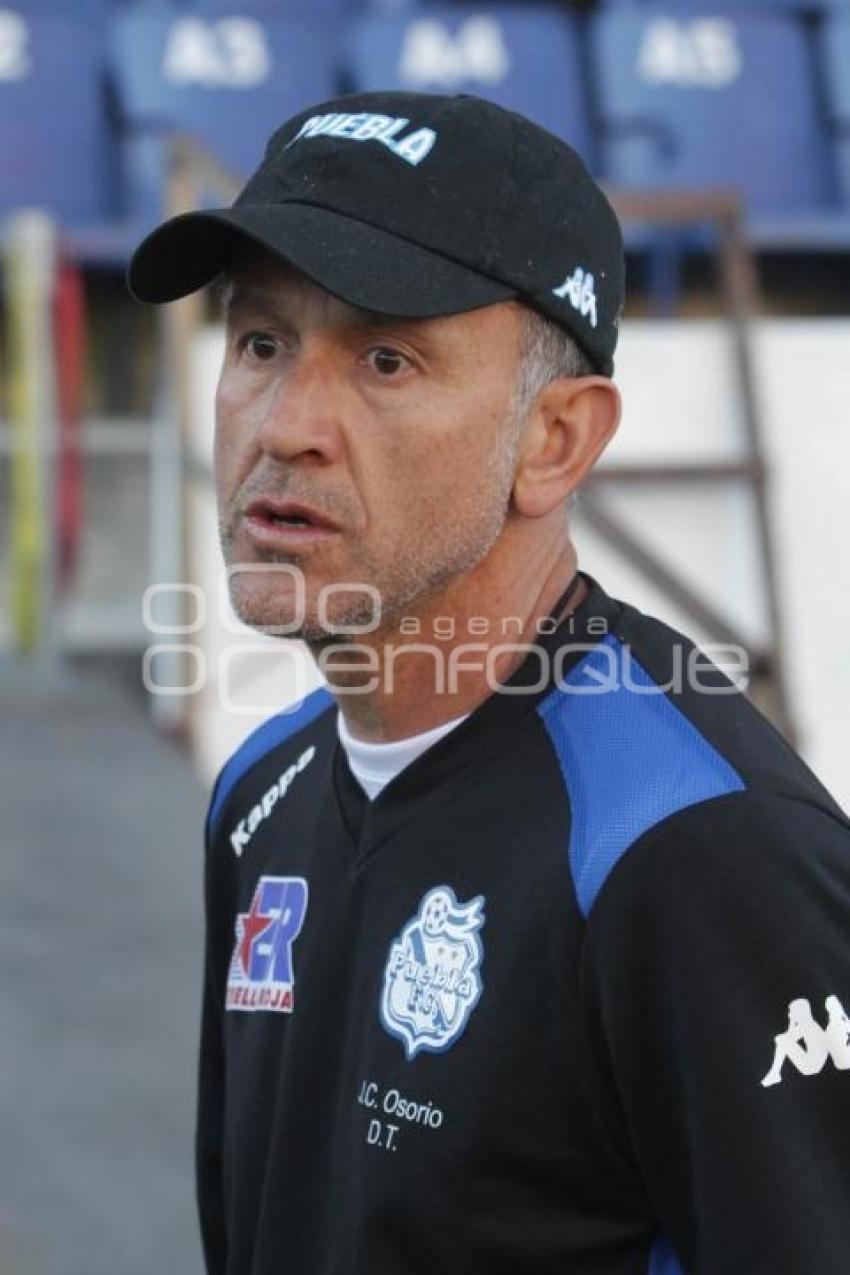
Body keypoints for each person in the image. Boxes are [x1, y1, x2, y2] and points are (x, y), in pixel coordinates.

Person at [128, 91, 850, 1275]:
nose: (287, 424)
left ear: (555, 442)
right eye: (259, 343)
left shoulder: (694, 848)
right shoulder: (261, 793)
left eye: (384, 358)